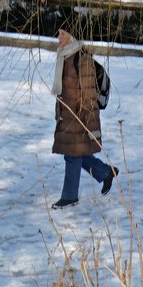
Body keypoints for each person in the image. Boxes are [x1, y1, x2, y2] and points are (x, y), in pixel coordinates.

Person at [50, 28, 118, 209]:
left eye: (62, 34)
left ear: (71, 36)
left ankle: (69, 196)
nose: (59, 38)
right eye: (58, 34)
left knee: (72, 156)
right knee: (77, 154)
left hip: (79, 118)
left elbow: (88, 97)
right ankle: (106, 173)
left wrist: (88, 123)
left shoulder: (83, 60)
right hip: (68, 117)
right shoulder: (65, 57)